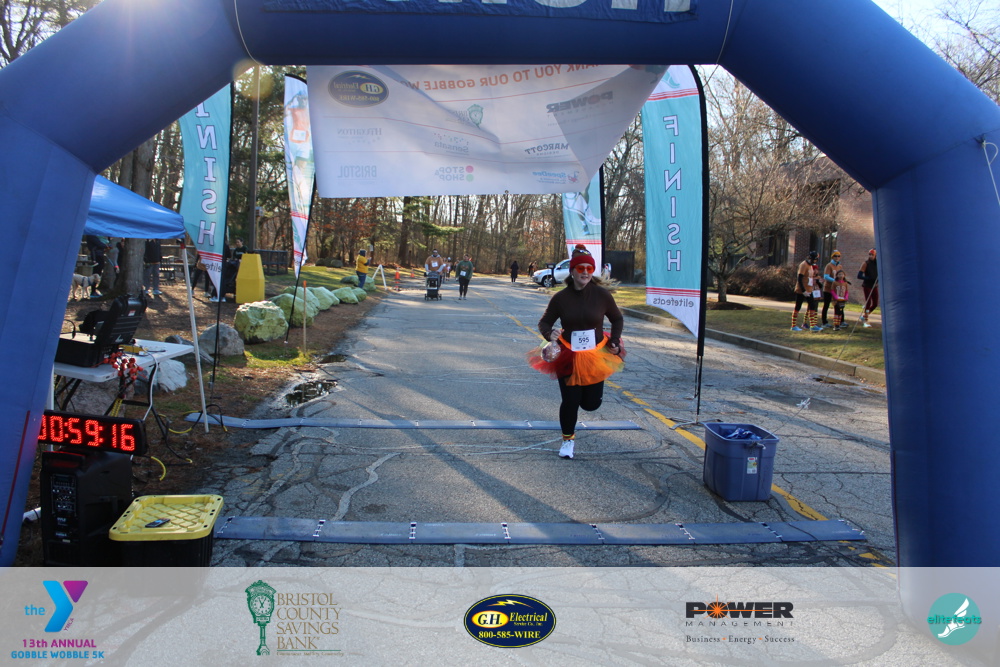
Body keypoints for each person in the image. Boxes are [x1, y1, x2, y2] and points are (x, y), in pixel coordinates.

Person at [529, 245, 624, 460]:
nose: (585, 272)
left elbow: (617, 319)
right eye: (581, 268)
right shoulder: (561, 298)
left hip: (595, 355)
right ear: (572, 271)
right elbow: (544, 322)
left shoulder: (602, 295)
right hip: (568, 355)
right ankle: (567, 441)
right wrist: (549, 334)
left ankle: (587, 399)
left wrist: (615, 341)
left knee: (591, 404)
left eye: (589, 269)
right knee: (570, 401)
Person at [791, 250, 823, 332]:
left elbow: (810, 278)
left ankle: (813, 325)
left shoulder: (810, 266)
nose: (815, 261)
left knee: (812, 306)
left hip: (809, 289)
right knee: (798, 306)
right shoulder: (803, 265)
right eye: (814, 259)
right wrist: (803, 290)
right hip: (802, 290)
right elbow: (800, 278)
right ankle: (793, 325)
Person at [821, 250, 843, 328]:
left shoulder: (839, 266)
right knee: (826, 305)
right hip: (828, 288)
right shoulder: (829, 265)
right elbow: (826, 276)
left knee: (838, 305)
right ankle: (824, 322)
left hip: (836, 289)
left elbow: (841, 275)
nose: (837, 257)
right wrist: (835, 281)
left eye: (838, 256)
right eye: (835, 256)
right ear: (832, 257)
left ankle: (839, 322)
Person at [857, 248, 878, 328]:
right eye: (870, 254)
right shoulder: (865, 263)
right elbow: (859, 275)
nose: (871, 256)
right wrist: (868, 278)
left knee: (875, 304)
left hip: (874, 285)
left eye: (872, 255)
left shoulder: (877, 263)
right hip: (867, 285)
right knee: (868, 302)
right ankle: (865, 320)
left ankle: (865, 315)